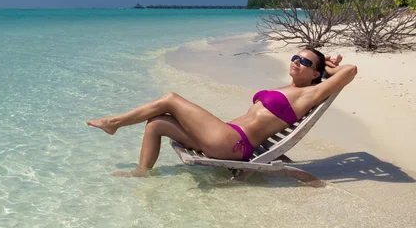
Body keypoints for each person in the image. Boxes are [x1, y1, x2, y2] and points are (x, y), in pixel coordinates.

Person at [86, 47, 358, 176]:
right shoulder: (289, 87)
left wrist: (329, 65)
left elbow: (350, 71)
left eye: (305, 62)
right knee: (157, 122)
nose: (297, 62)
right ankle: (142, 172)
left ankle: (114, 122)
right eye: (295, 57)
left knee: (170, 99)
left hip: (233, 144)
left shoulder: (309, 93)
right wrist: (320, 64)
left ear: (315, 73)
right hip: (225, 137)